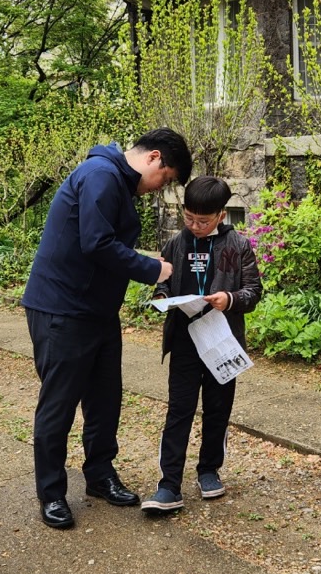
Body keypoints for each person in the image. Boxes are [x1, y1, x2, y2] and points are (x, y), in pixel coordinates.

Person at [21, 128, 192, 529]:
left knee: (104, 399)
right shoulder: (100, 174)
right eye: (165, 178)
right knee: (59, 404)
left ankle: (100, 475)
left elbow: (105, 246)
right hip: (62, 310)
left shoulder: (116, 181)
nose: (160, 187)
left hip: (97, 311)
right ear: (154, 157)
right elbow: (96, 243)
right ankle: (52, 493)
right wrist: (152, 268)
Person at [142, 177, 262, 514]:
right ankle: (169, 485)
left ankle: (209, 470)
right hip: (184, 340)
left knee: (217, 408)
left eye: (203, 221)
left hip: (222, 340)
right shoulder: (176, 243)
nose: (194, 226)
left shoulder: (238, 245)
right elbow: (162, 284)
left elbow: (253, 292)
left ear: (221, 215)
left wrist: (230, 298)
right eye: (189, 218)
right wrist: (162, 297)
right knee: (179, 410)